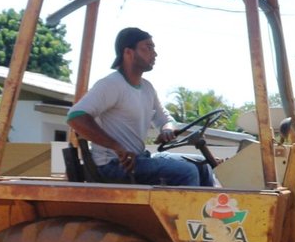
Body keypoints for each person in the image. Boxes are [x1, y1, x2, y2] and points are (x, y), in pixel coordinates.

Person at [67, 26, 217, 186]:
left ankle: (207, 210)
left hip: (139, 159)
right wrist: (116, 146)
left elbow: (165, 119)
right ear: (128, 53)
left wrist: (167, 129)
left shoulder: (147, 88)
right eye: (148, 48)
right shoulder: (111, 84)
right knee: (187, 172)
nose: (155, 53)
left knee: (202, 164)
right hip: (113, 165)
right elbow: (75, 117)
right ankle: (186, 211)